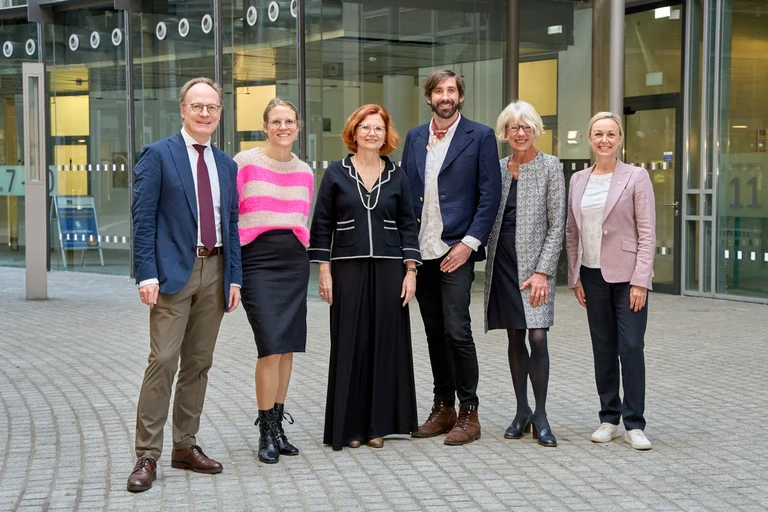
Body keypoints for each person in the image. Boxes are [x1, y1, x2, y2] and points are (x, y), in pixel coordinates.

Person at [128, 77, 242, 492]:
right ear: (182, 109)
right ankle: (146, 455)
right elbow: (142, 219)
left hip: (215, 272)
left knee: (199, 363)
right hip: (173, 274)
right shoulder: (159, 155)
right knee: (163, 361)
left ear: (220, 112)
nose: (205, 114)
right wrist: (146, 273)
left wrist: (235, 278)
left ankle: (185, 446)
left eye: (212, 107)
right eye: (197, 106)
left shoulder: (227, 165)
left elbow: (231, 224)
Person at [309, 104, 421, 451]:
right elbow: (322, 224)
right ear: (353, 132)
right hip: (347, 266)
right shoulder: (336, 173)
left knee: (384, 344)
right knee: (350, 343)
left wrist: (411, 271)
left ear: (387, 135)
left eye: (378, 128)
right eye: (365, 127)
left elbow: (408, 225)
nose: (372, 133)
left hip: (390, 268)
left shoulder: (397, 175)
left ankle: (378, 425)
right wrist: (324, 271)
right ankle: (350, 425)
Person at [401, 69, 501, 445]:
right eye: (438, 91)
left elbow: (489, 195)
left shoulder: (481, 136)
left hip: (456, 250)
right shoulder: (414, 138)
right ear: (429, 97)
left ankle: (468, 413)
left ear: (460, 97)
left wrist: (469, 243)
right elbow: (406, 192)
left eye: (451, 91)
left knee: (457, 330)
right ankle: (442, 407)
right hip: (422, 250)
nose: (445, 96)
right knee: (432, 332)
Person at [566, 112, 656, 451]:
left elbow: (647, 232)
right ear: (590, 139)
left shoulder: (636, 176)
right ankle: (609, 418)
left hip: (628, 277)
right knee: (602, 348)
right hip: (592, 275)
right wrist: (575, 274)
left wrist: (641, 280)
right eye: (599, 134)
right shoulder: (578, 180)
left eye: (611, 134)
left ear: (620, 139)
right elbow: (572, 232)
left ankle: (635, 423)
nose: (605, 140)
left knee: (630, 346)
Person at [233, 98, 314, 464]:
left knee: (287, 347)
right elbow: (229, 216)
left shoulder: (306, 171)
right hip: (257, 261)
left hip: (294, 260)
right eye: (276, 121)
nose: (284, 127)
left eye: (290, 121)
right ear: (265, 126)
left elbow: (301, 219)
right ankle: (265, 432)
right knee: (269, 345)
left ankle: (279, 426)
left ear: (298, 126)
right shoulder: (244, 163)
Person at [483, 101, 565, 447]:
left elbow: (557, 222)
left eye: (526, 127)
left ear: (536, 130)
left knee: (538, 336)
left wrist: (544, 271)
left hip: (534, 266)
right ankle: (521, 410)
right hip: (501, 261)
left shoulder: (550, 166)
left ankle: (542, 414)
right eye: (513, 128)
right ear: (505, 132)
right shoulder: (498, 168)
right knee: (515, 337)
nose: (520, 134)